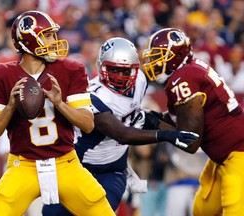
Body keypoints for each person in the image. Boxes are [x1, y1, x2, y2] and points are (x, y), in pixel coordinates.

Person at [42, 37, 199, 215]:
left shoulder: (140, 80)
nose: (120, 76)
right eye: (114, 69)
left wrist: (175, 124)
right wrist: (168, 135)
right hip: (77, 169)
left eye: (126, 71)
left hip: (112, 171)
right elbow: (121, 132)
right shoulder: (93, 95)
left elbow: (136, 116)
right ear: (101, 66)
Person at [0, 10, 115, 216]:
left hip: (66, 162)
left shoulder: (70, 70)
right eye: (49, 35)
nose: (55, 41)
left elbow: (87, 124)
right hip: (22, 164)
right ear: (29, 40)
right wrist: (10, 107)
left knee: (100, 208)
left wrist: (60, 103)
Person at [141, 27, 244, 215]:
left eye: (159, 56)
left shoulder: (182, 78)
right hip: (223, 157)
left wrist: (155, 125)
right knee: (202, 210)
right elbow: (182, 119)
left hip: (239, 153)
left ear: (176, 55)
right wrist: (154, 117)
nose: (153, 62)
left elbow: (191, 141)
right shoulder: (190, 70)